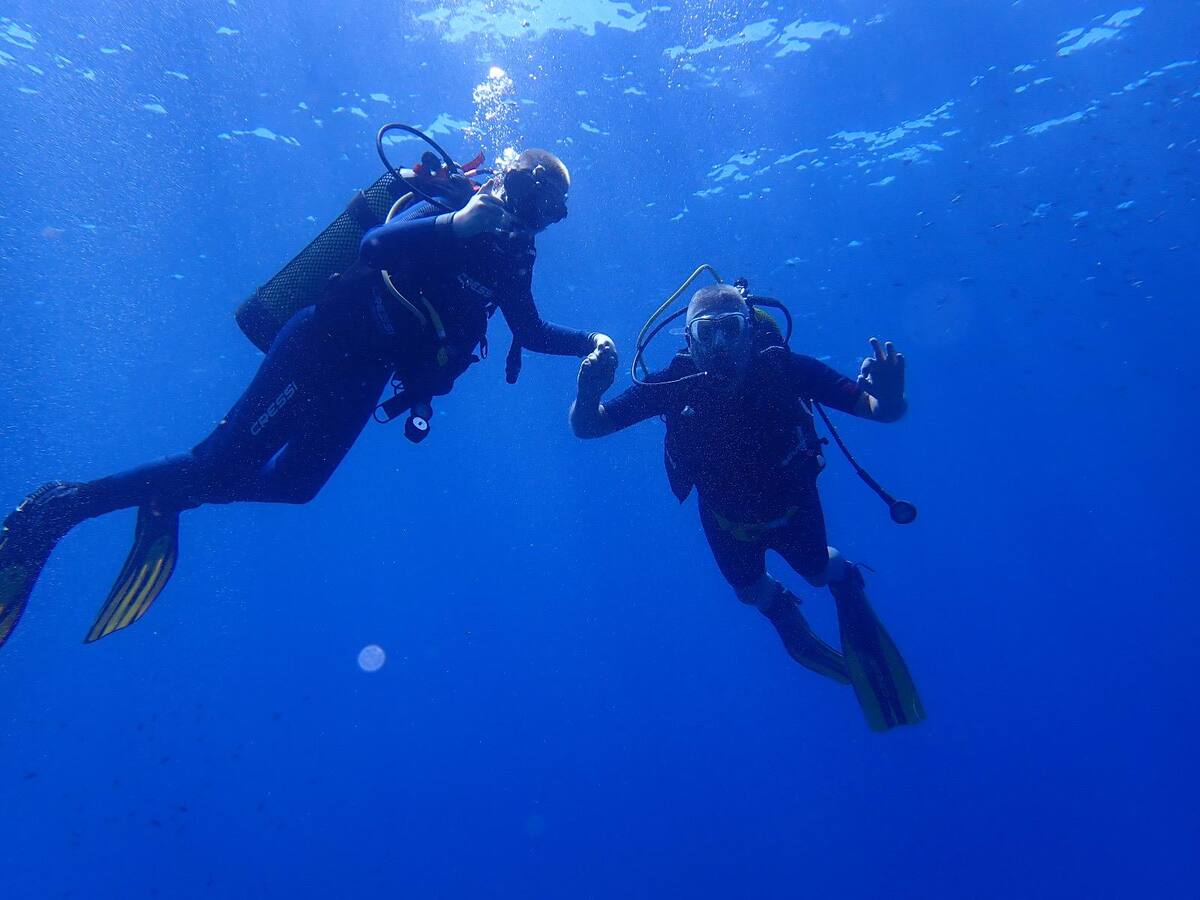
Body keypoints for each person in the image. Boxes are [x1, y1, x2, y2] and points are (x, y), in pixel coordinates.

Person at [0, 148, 615, 648]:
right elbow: (374, 246)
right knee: (216, 464)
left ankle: (172, 493)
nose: (537, 218)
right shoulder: (455, 204)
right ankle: (60, 508)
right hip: (321, 344)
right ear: (512, 182)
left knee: (296, 485)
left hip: (366, 375)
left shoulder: (514, 257)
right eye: (536, 200)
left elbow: (530, 331)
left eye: (552, 213)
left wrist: (592, 341)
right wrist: (457, 224)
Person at [569, 281, 923, 731]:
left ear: (751, 332)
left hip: (794, 510)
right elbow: (589, 427)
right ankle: (781, 608)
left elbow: (880, 410)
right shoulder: (671, 385)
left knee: (818, 572)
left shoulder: (788, 370)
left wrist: (891, 396)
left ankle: (843, 577)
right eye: (707, 332)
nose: (720, 345)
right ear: (689, 340)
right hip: (726, 522)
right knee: (751, 592)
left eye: (731, 329)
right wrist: (587, 394)